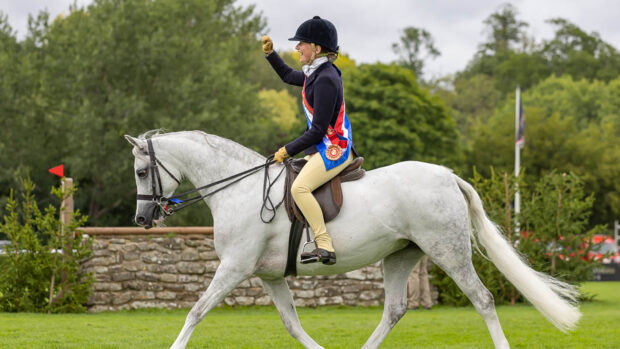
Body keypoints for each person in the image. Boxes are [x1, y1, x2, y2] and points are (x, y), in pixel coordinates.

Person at [262, 16, 357, 265]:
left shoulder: (325, 79)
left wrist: (286, 149)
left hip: (335, 148)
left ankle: (324, 243)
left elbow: (317, 131)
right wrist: (271, 55)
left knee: (299, 189)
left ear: (316, 48)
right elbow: (286, 76)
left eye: (302, 43)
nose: (297, 48)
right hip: (323, 146)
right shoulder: (316, 73)